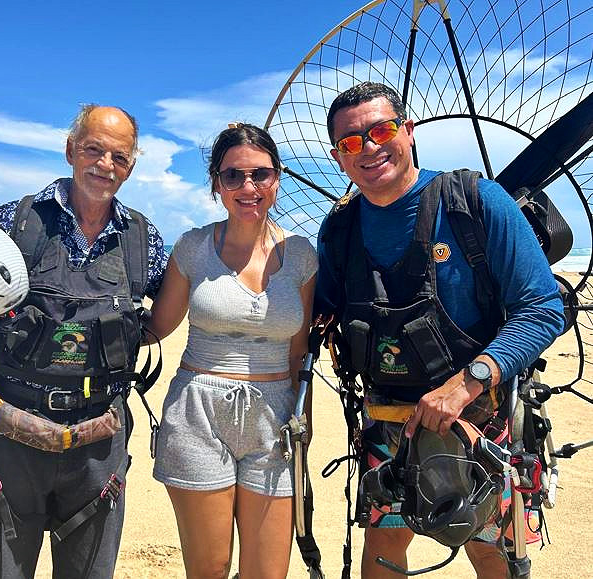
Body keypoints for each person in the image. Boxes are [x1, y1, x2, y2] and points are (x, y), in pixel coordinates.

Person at [314, 82, 566, 578]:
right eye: (350, 141)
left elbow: (541, 308)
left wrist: (466, 383)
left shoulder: (476, 203)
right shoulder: (339, 229)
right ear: (338, 157)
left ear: (408, 131)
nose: (368, 147)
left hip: (481, 415)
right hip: (387, 419)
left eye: (381, 130)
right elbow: (318, 312)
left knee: (488, 547)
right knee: (384, 543)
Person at [0, 104, 167, 578]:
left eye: (119, 157)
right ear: (70, 150)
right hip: (9, 435)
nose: (105, 164)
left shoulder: (143, 239)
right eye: (93, 149)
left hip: (98, 442)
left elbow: (167, 313)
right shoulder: (16, 221)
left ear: (131, 167)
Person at [146, 123, 317, 579]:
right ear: (216, 184)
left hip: (274, 417)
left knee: (267, 572)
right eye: (233, 176)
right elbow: (156, 327)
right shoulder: (193, 247)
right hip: (197, 413)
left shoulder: (301, 255)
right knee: (211, 568)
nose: (248, 187)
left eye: (260, 174)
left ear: (277, 178)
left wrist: (304, 421)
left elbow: (299, 351)